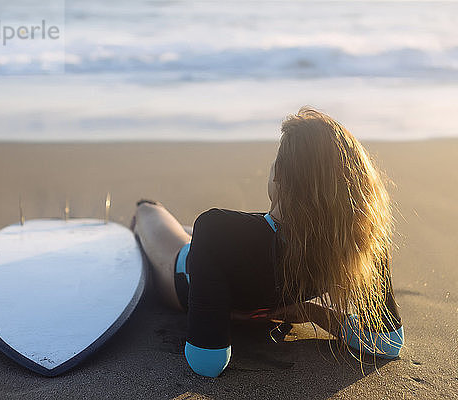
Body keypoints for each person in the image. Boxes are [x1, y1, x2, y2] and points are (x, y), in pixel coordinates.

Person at [131, 106, 404, 378]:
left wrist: (220, 315)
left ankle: (144, 213)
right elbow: (388, 343)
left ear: (279, 174)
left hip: (181, 275)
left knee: (148, 211)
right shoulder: (362, 239)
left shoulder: (217, 228)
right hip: (221, 259)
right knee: (196, 235)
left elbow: (207, 363)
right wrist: (311, 312)